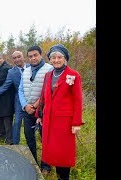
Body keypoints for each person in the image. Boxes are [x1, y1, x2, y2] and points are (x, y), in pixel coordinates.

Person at [36, 44, 84, 179]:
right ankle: (55, 173)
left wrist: (76, 123)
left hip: (65, 122)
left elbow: (78, 100)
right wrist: (39, 115)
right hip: (49, 119)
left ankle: (63, 177)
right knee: (52, 150)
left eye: (59, 57)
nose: (56, 60)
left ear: (65, 58)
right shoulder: (48, 75)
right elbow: (43, 96)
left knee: (63, 152)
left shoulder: (73, 75)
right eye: (53, 57)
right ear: (50, 60)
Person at [0, 51, 30, 145]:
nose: (17, 59)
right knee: (16, 123)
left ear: (23, 56)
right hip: (19, 99)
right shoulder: (11, 72)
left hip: (34, 98)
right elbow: (4, 86)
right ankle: (14, 145)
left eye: (19, 57)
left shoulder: (31, 67)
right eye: (14, 58)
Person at [18, 45, 52, 172]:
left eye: (35, 55)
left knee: (45, 139)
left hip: (43, 111)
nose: (33, 58)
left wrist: (35, 105)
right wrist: (25, 105)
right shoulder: (26, 70)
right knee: (29, 137)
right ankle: (33, 163)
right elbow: (20, 89)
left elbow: (49, 91)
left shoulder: (50, 69)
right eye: (30, 56)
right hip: (27, 111)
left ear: (41, 55)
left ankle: (46, 166)